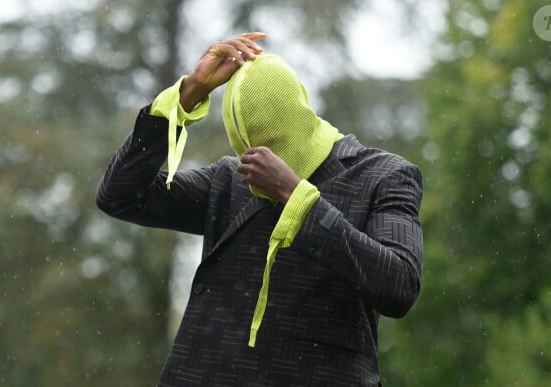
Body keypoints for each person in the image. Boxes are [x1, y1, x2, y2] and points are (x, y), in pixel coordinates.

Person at [96, 32, 424, 386]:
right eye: (246, 149)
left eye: (271, 144)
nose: (256, 164)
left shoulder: (383, 175)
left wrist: (296, 197)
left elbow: (399, 285)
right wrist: (188, 95)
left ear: (300, 114)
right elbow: (119, 194)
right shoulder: (228, 181)